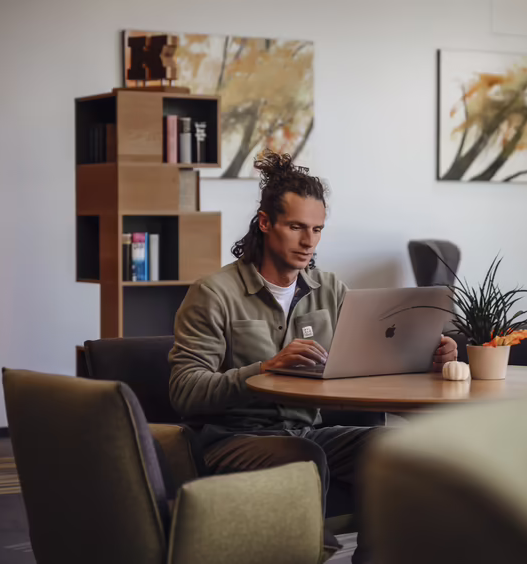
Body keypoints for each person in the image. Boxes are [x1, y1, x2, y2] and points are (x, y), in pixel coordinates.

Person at [168, 149, 458, 562]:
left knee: (396, 449)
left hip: (307, 433)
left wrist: (425, 356)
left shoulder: (330, 289)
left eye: (318, 229)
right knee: (306, 457)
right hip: (231, 439)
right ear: (266, 223)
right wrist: (264, 370)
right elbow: (185, 391)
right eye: (296, 227)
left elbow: (366, 367)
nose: (309, 242)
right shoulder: (213, 294)